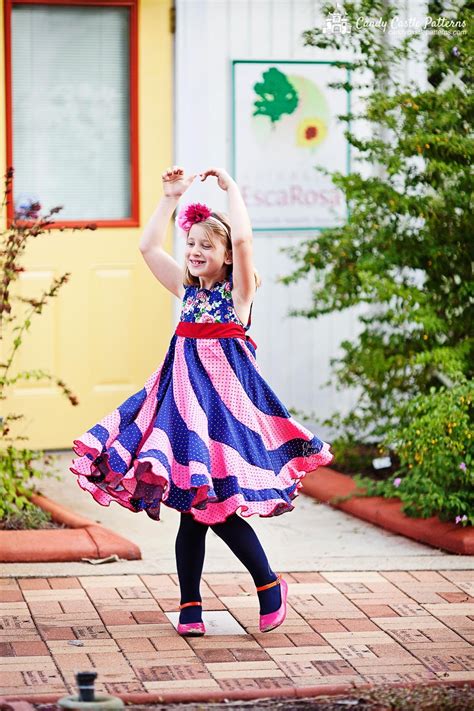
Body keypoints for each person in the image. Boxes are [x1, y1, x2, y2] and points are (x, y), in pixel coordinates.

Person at [70, 165, 334, 637]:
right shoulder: (186, 291)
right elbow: (149, 247)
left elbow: (247, 242)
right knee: (192, 511)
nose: (193, 252)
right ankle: (194, 605)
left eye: (206, 246)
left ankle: (268, 585)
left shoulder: (239, 297)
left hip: (224, 419)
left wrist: (233, 190)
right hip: (182, 413)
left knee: (217, 507)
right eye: (191, 244)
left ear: (229, 257)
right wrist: (170, 199)